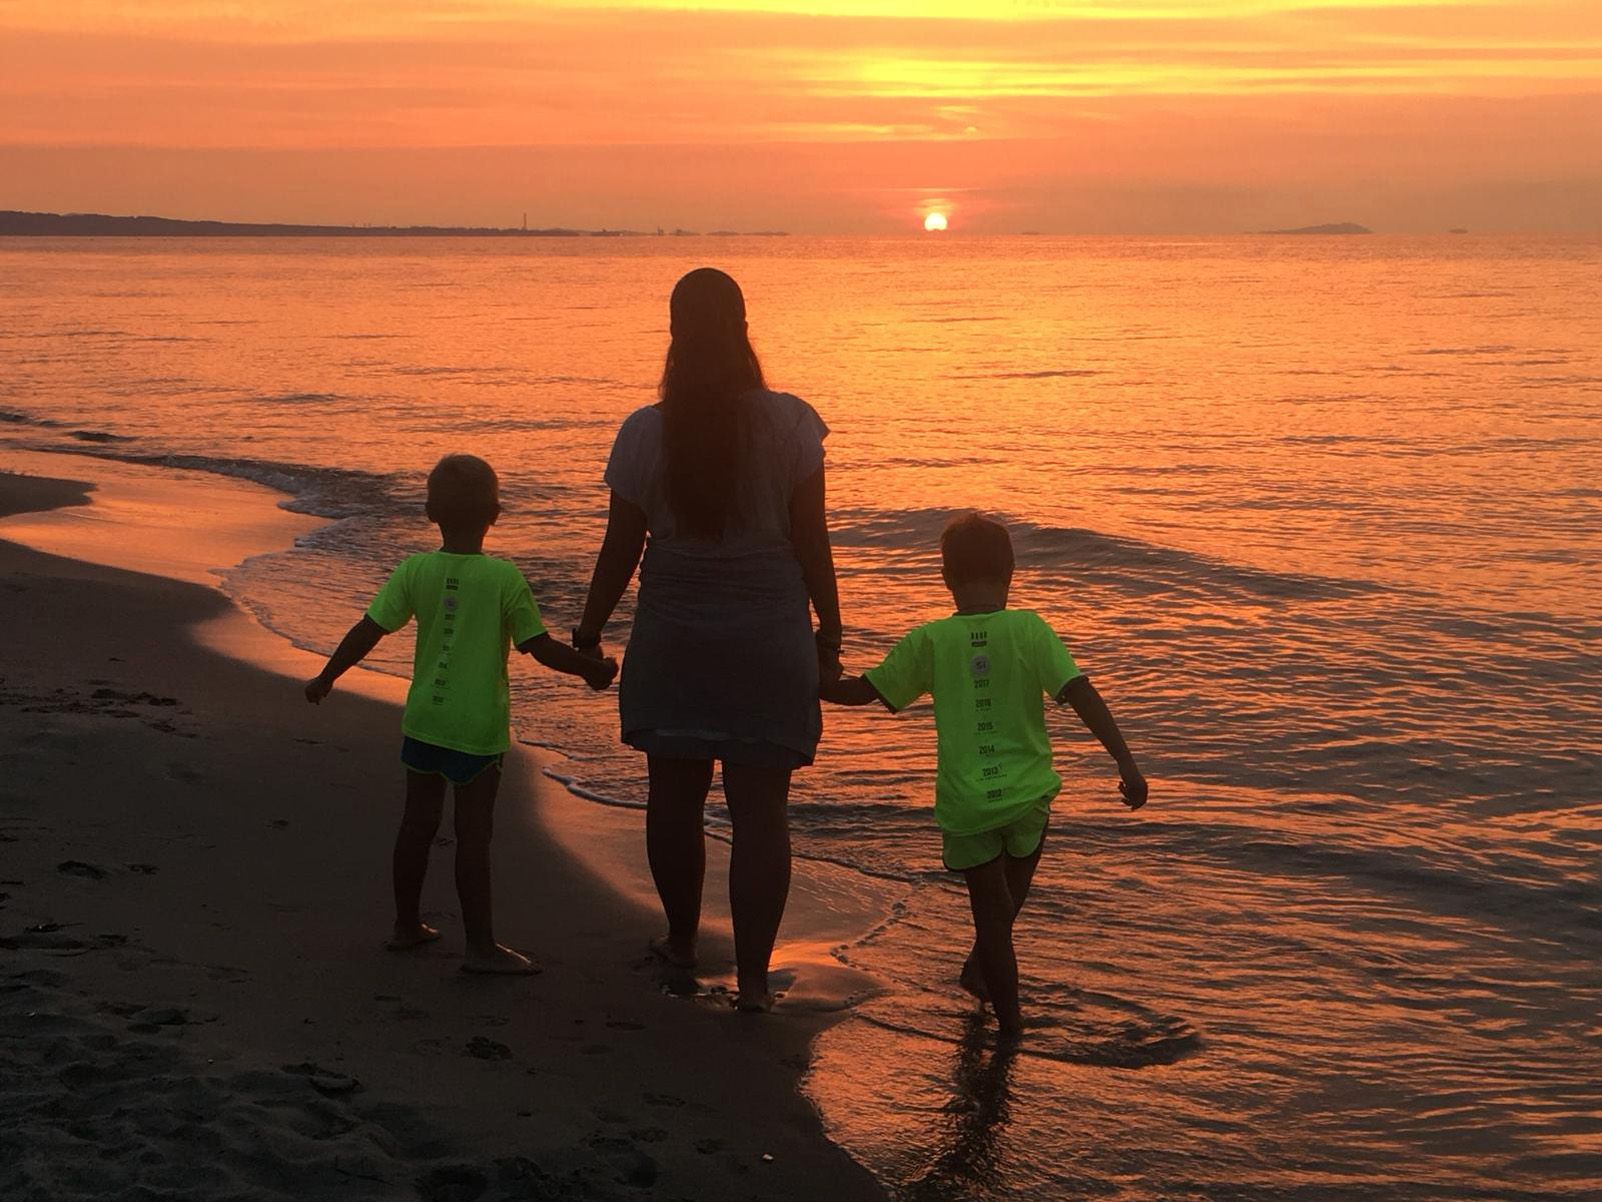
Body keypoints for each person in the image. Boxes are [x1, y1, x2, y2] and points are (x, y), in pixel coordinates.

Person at [574, 267, 842, 1013]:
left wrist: (590, 631)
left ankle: (684, 941)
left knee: (674, 797)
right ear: (745, 328)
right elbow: (811, 540)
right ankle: (754, 984)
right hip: (769, 637)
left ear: (673, 333)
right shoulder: (791, 424)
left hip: (676, 635)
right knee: (762, 813)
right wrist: (832, 636)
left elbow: (620, 548)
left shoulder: (644, 431)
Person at [820, 512, 1147, 1038]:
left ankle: (990, 989)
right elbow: (1080, 691)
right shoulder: (1029, 629)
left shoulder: (930, 640)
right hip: (1029, 797)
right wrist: (1125, 762)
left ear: (946, 577)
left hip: (967, 804)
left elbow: (863, 692)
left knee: (993, 919)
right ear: (1011, 571)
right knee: (1007, 904)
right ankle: (1010, 1028)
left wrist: (815, 676)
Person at [304, 453, 617, 974]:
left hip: (425, 719)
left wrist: (327, 676)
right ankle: (481, 947)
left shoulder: (415, 570)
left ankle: (407, 925)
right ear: (495, 513)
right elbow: (538, 647)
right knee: (473, 836)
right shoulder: (503, 578)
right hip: (477, 730)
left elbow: (369, 629)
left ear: (430, 513)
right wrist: (590, 670)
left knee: (416, 826)